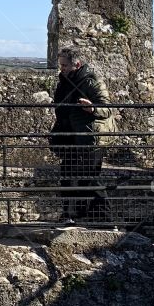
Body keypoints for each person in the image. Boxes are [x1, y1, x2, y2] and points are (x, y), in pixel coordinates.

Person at [49, 46, 115, 220]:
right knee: (67, 177)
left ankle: (104, 220)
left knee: (89, 180)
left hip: (90, 138)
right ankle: (71, 215)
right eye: (60, 65)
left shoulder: (91, 81)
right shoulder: (64, 81)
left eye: (64, 65)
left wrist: (92, 108)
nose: (61, 68)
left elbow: (106, 108)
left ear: (76, 64)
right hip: (70, 137)